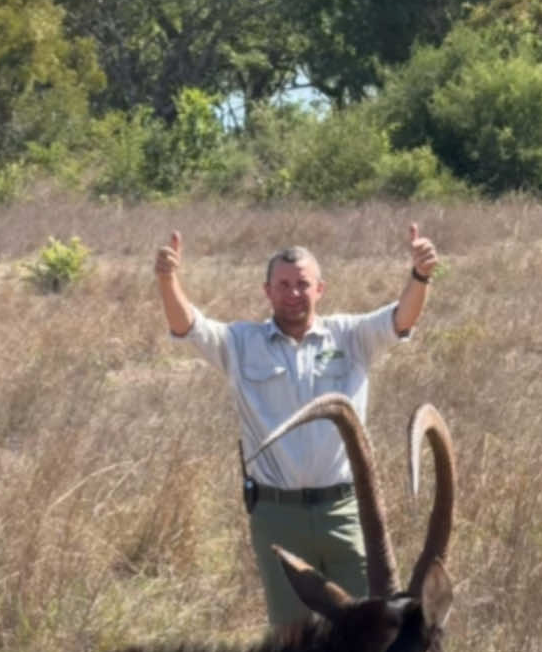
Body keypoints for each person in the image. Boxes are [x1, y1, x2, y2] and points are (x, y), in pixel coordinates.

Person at [154, 224, 439, 626]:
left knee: (366, 630)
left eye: (302, 284)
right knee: (293, 643)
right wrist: (168, 280)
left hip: (345, 509)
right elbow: (189, 327)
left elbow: (401, 317)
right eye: (283, 284)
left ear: (320, 289)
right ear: (267, 291)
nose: (293, 293)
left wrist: (420, 275)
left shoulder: (350, 336)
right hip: (277, 513)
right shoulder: (241, 343)